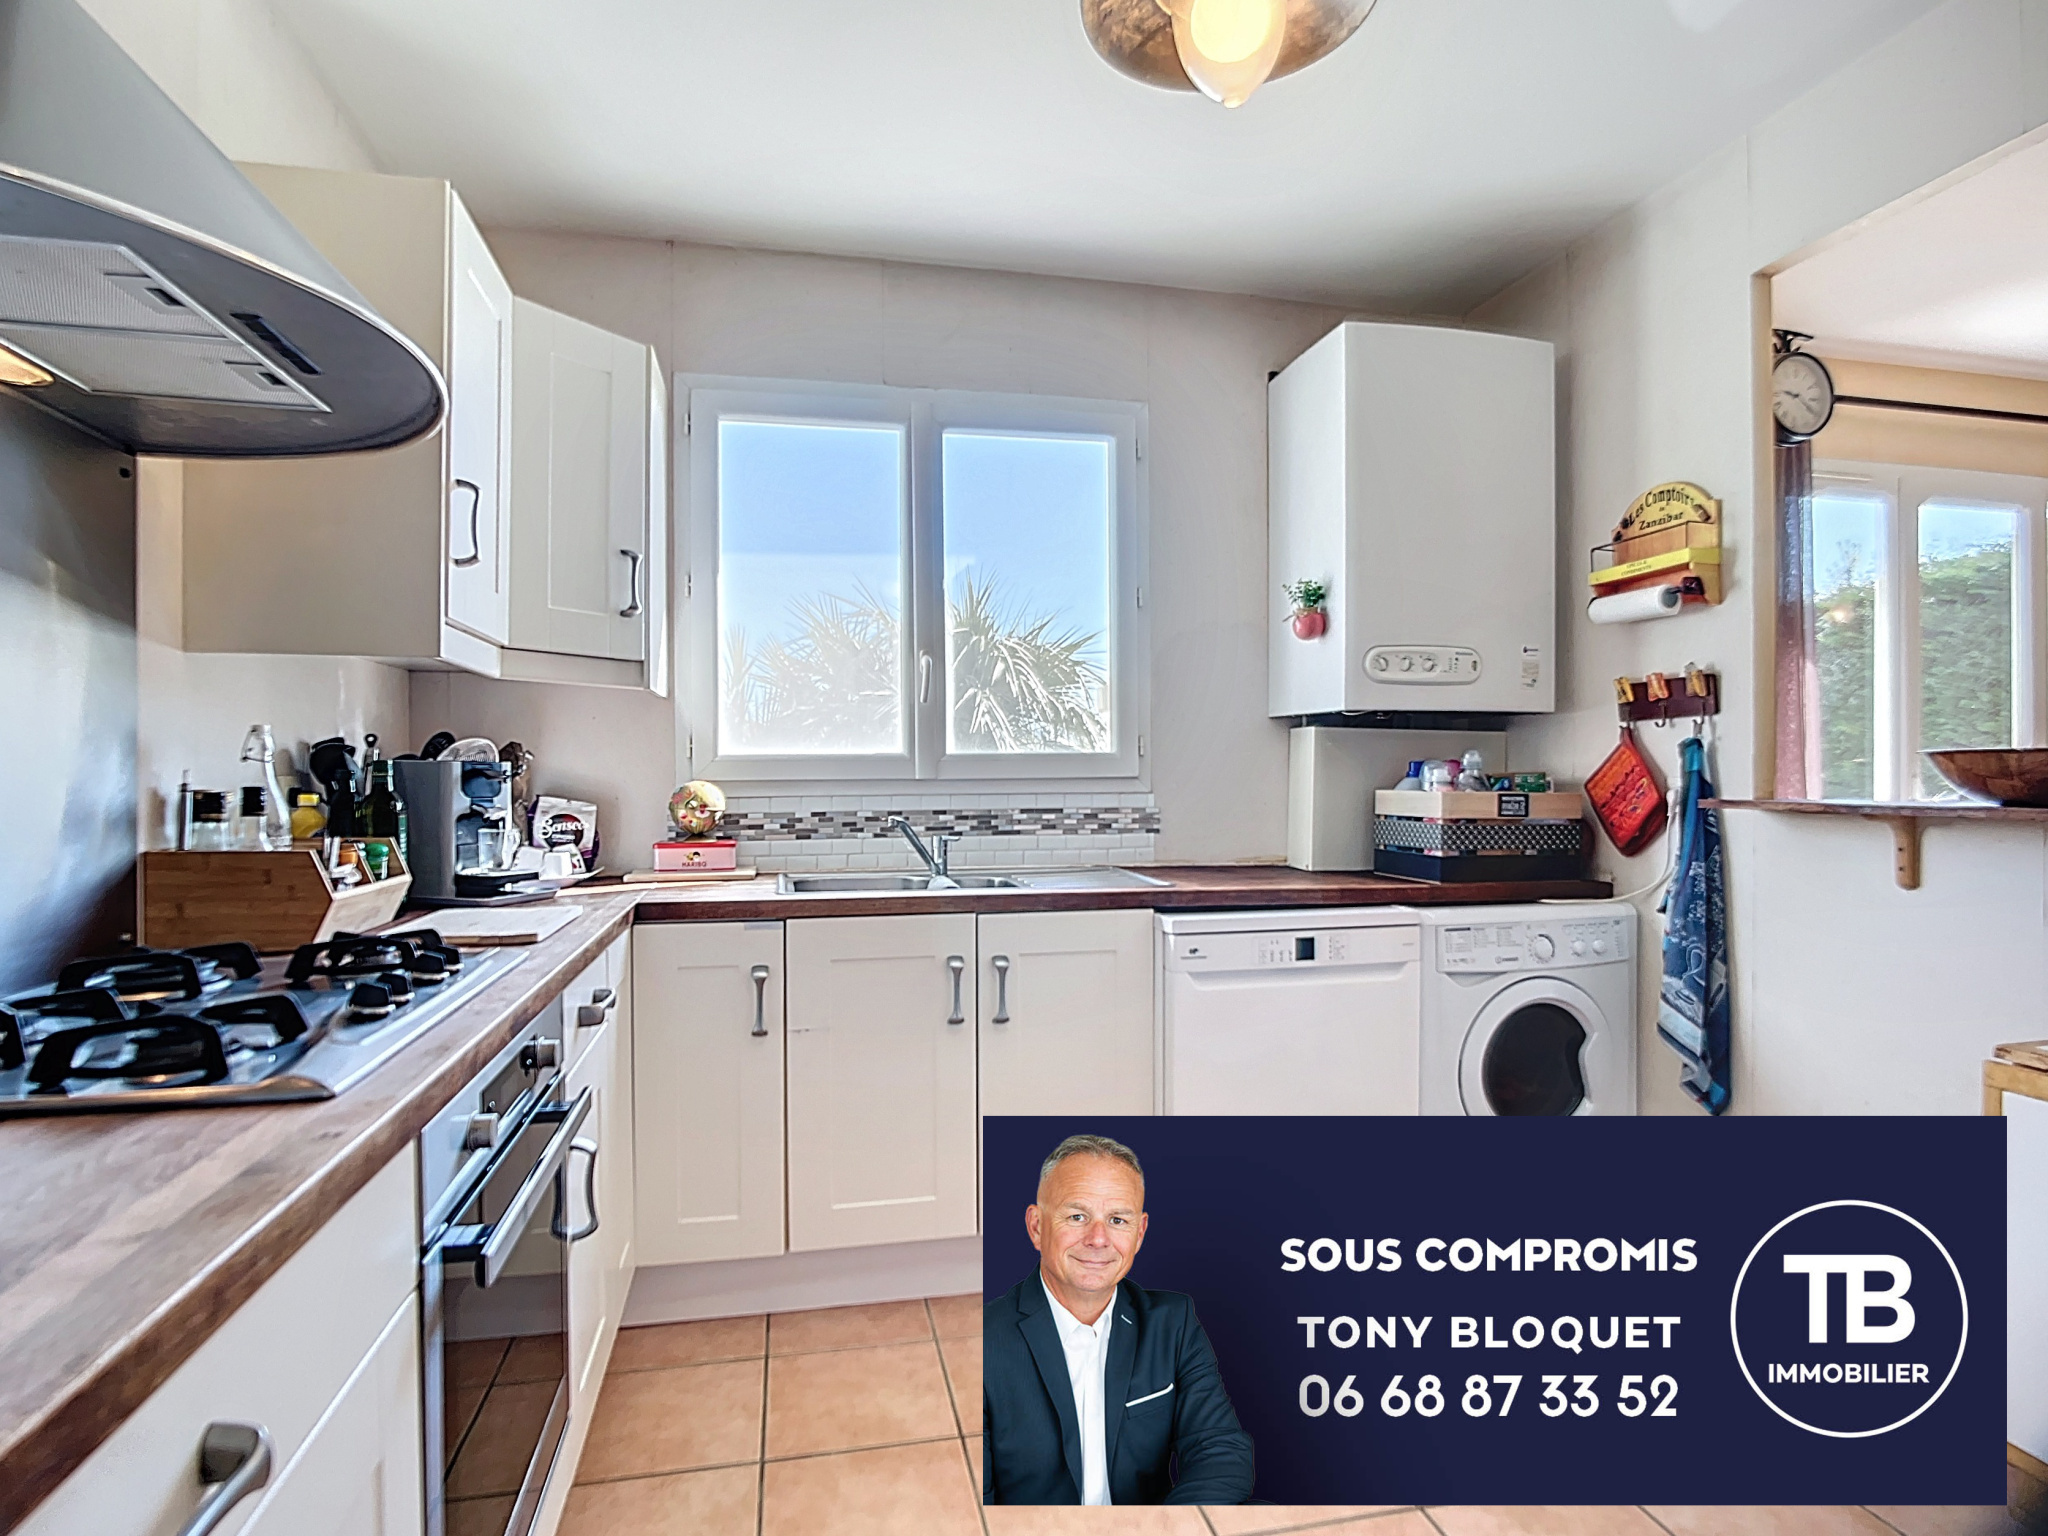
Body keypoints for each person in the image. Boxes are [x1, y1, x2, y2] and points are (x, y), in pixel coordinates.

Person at [983, 1133, 1255, 1506]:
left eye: (1117, 1220)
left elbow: (1219, 1450)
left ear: (1139, 1233)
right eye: (1077, 1216)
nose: (1098, 1239)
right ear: (1037, 1226)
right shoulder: (983, 1342)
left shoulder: (1172, 1324)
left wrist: (1165, 1529)